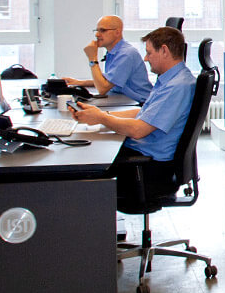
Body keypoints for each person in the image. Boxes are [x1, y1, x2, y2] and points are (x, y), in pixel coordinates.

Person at [71, 26, 196, 207]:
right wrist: (100, 115)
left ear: (164, 51)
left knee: (82, 171)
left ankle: (94, 228)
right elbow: (143, 112)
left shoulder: (177, 86)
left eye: (149, 53)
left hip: (149, 170)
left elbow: (138, 130)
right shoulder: (170, 79)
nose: (145, 58)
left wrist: (102, 119)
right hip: (144, 159)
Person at [63, 15, 152, 102]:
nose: (97, 34)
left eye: (102, 30)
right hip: (125, 100)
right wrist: (79, 83)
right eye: (97, 30)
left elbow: (103, 88)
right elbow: (108, 81)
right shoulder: (113, 53)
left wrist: (92, 58)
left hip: (140, 104)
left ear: (117, 32)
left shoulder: (126, 54)